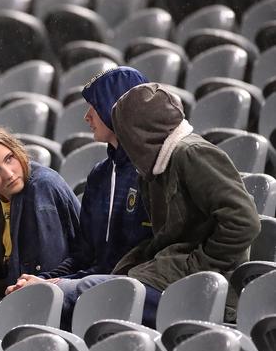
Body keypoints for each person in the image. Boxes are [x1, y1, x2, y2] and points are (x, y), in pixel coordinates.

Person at [27, 81, 261, 328]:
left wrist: (196, 265)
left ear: (139, 132)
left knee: (78, 295)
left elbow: (244, 222)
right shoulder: (156, 166)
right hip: (168, 277)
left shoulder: (191, 153)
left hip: (205, 289)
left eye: (124, 130)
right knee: (61, 294)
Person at [5, 67, 154, 325]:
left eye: (93, 107)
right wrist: (46, 279)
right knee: (27, 293)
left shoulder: (152, 172)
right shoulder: (99, 176)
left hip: (138, 286)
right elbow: (83, 256)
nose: (86, 117)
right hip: (93, 283)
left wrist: (58, 285)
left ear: (113, 107)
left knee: (40, 300)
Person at [0, 124, 82, 332]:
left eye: (9, 159)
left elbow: (52, 270)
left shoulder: (42, 189)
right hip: (14, 288)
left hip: (51, 294)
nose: (8, 174)